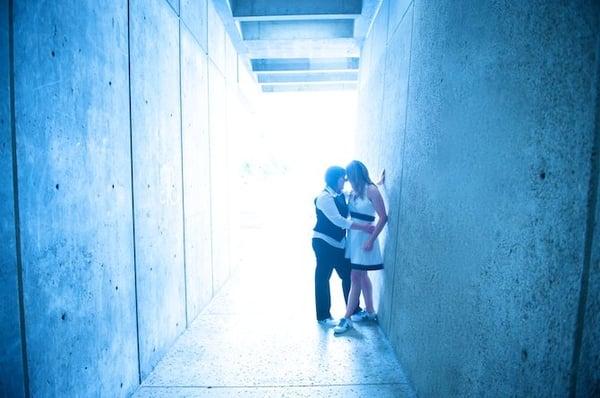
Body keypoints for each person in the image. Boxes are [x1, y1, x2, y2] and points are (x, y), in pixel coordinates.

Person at [313, 166, 375, 325]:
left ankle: (354, 310)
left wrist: (378, 183)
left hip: (339, 244)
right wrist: (363, 227)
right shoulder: (324, 198)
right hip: (324, 243)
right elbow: (339, 221)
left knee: (349, 275)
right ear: (335, 179)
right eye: (343, 178)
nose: (345, 182)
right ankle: (324, 317)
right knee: (323, 278)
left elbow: (362, 192)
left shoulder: (340, 194)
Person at [334, 160, 388, 334]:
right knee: (362, 277)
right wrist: (380, 181)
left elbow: (383, 217)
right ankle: (370, 312)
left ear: (356, 174)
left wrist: (371, 240)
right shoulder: (355, 191)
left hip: (366, 238)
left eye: (349, 175)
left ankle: (347, 317)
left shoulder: (371, 190)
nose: (347, 178)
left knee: (355, 276)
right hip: (354, 239)